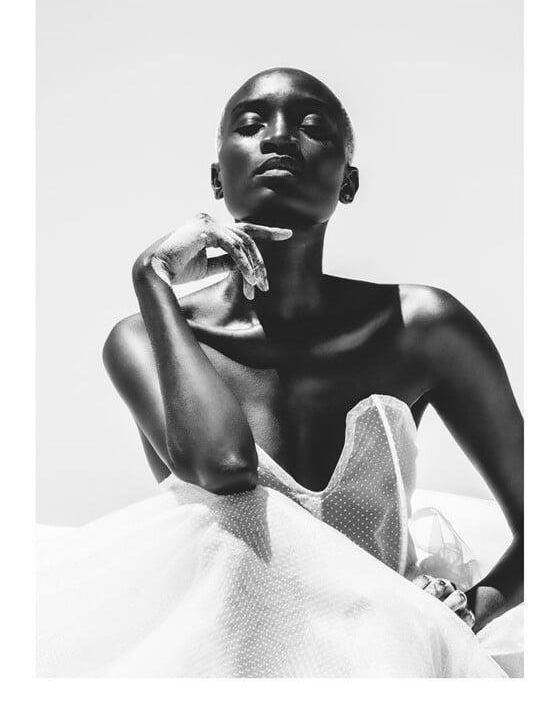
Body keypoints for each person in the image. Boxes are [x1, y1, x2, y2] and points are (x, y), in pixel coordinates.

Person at [36, 67, 523, 678]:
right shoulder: (143, 337)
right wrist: (152, 279)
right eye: (250, 125)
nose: (279, 137)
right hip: (218, 667)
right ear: (218, 177)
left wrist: (465, 614)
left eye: (313, 127)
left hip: (385, 665)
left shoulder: (420, 328)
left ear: (348, 182)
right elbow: (224, 466)